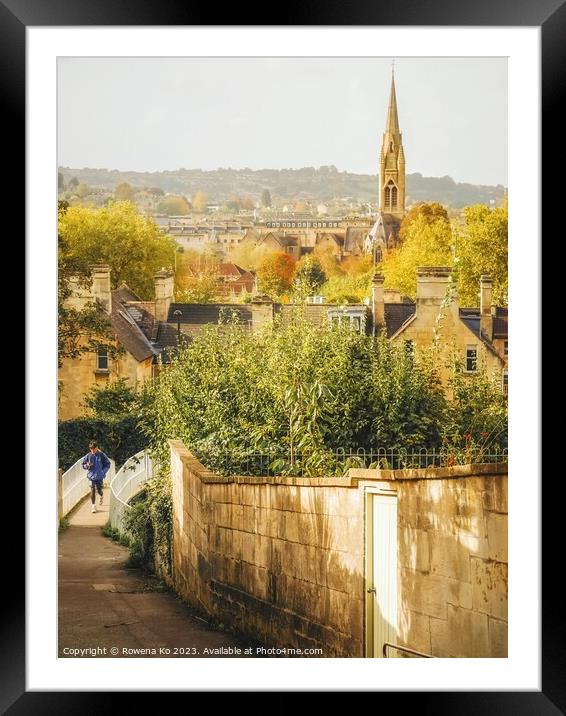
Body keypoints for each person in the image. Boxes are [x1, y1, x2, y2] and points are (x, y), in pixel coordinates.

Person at [82, 441, 111, 513]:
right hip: (91, 476)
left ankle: (101, 495)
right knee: (92, 489)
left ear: (97, 448)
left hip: (99, 476)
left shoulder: (102, 455)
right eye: (91, 449)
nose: (92, 451)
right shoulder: (88, 455)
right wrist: (87, 465)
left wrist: (103, 472)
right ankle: (93, 506)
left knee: (99, 490)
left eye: (93, 449)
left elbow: (108, 464)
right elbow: (83, 465)